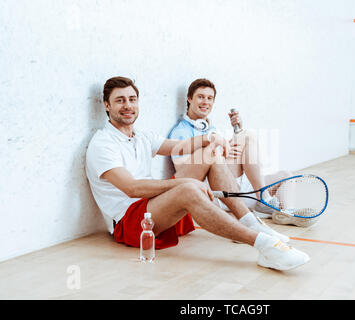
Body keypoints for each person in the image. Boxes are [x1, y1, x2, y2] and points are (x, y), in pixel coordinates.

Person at [85, 76, 310, 271]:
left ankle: (251, 222)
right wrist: (184, 184)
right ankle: (265, 246)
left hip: (153, 206)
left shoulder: (142, 137)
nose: (127, 106)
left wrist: (210, 139)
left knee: (209, 155)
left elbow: (178, 146)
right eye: (120, 100)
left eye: (132, 100)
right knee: (187, 188)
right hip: (130, 222)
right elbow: (132, 188)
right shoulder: (102, 144)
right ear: (107, 105)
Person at [168, 78, 292, 219]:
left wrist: (235, 135)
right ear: (189, 98)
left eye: (210, 98)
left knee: (286, 175)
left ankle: (286, 215)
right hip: (217, 192)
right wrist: (222, 150)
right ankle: (263, 200)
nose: (205, 102)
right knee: (247, 136)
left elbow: (226, 156)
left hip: (238, 186)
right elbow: (184, 173)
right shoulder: (181, 132)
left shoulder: (211, 129)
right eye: (200, 97)